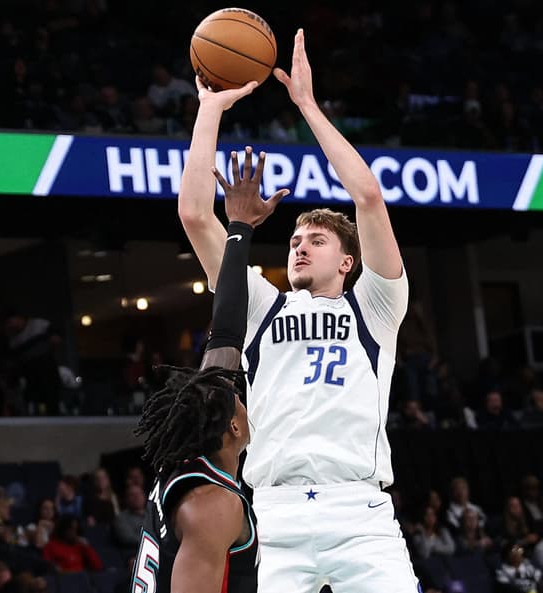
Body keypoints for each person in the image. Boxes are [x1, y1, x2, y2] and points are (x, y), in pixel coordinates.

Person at [177, 28, 415, 593]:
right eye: (295, 240)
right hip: (276, 515)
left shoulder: (377, 307)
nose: (300, 245)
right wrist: (208, 109)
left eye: (317, 240)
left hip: (359, 515)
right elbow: (193, 214)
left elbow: (369, 198)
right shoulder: (261, 305)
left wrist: (307, 106)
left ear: (349, 262)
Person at [135, 147, 282, 593]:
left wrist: (239, 228)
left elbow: (225, 333)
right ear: (234, 428)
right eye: (239, 395)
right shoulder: (213, 503)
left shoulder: (185, 467)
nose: (244, 393)